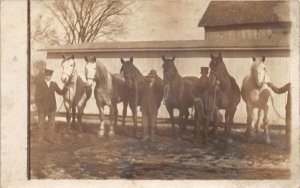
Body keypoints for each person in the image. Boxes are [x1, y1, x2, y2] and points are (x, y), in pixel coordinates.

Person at [35, 66, 68, 143]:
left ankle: (51, 139)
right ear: (45, 75)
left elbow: (60, 92)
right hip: (42, 109)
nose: (48, 77)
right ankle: (40, 140)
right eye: (47, 75)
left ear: (51, 76)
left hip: (52, 108)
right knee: (40, 125)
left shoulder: (54, 84)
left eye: (49, 75)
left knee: (52, 125)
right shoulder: (40, 84)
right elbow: (36, 96)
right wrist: (38, 106)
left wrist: (66, 87)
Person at [140, 69, 160, 142]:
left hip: (153, 107)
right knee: (144, 123)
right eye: (150, 77)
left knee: (152, 123)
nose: (152, 78)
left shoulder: (157, 86)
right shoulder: (144, 85)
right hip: (144, 107)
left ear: (155, 78)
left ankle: (152, 137)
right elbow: (139, 90)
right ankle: (145, 136)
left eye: (153, 77)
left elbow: (161, 88)